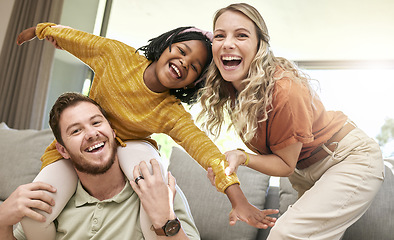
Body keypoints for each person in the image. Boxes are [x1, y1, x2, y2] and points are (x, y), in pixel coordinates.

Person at [16, 23, 278, 239]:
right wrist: (39, 30)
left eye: (195, 67)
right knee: (33, 210)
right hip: (93, 143)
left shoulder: (170, 111)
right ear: (166, 44)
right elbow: (79, 40)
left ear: (192, 82)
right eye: (182, 50)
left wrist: (237, 197)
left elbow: (205, 150)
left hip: (131, 148)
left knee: (153, 180)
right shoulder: (116, 55)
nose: (185, 62)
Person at [199, 3, 385, 240]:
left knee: (285, 234)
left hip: (347, 159)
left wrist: (242, 156)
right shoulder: (230, 87)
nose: (227, 43)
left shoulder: (283, 89)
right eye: (219, 35)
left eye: (241, 35)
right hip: (306, 169)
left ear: (259, 46)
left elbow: (285, 164)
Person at [0, 92, 200, 239]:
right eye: (76, 131)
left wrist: (165, 220)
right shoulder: (53, 199)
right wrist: (2, 221)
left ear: (113, 132)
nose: (91, 134)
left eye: (96, 123)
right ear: (62, 150)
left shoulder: (158, 189)